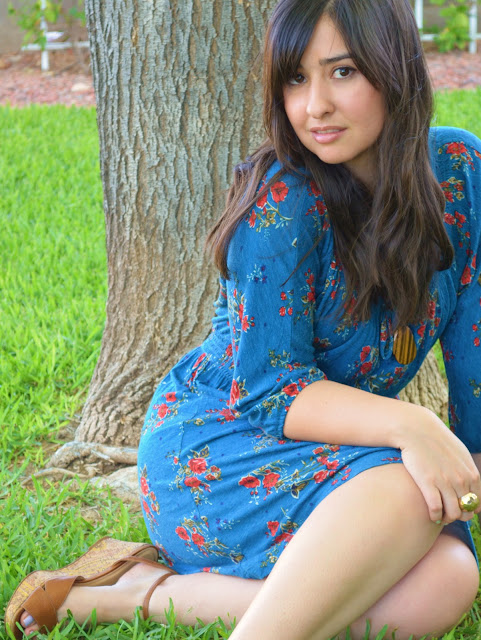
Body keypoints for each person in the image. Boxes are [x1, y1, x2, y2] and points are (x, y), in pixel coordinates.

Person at [6, 0, 481, 638]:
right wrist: (414, 424)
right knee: (405, 491)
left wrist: (468, 457)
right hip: (218, 447)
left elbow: (474, 346)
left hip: (343, 452)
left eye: (342, 72)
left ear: (394, 70)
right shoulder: (282, 199)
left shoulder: (459, 172)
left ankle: (136, 594)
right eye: (295, 79)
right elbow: (268, 389)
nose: (314, 106)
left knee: (448, 580)